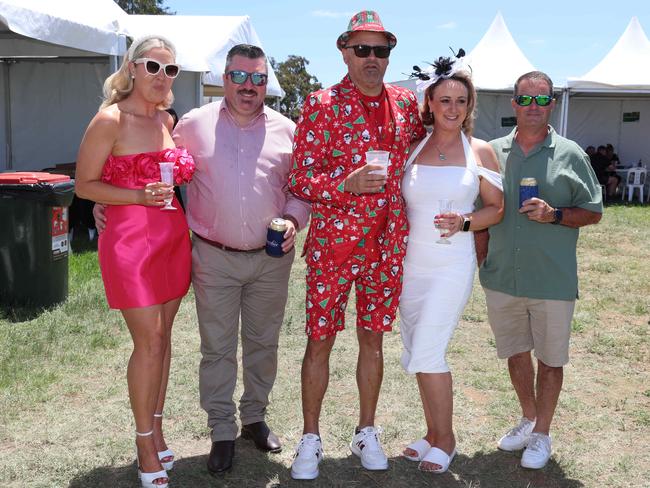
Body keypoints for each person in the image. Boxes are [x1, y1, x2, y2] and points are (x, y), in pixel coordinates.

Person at [288, 11, 426, 480]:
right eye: (362, 49)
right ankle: (310, 435)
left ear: (389, 54)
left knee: (373, 340)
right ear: (344, 50)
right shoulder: (321, 104)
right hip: (333, 247)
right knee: (320, 340)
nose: (371, 58)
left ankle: (367, 429)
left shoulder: (407, 104)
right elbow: (300, 178)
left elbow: (431, 153)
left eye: (380, 50)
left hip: (387, 245)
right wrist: (343, 185)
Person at [172, 44, 310, 476]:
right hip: (213, 257)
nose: (249, 87)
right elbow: (155, 166)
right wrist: (111, 203)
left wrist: (292, 218)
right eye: (240, 77)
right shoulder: (192, 125)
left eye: (258, 78)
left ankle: (253, 418)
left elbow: (300, 189)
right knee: (216, 348)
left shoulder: (288, 130)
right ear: (224, 77)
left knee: (263, 343)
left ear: (267, 83)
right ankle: (221, 431)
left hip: (271, 259)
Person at [76, 35, 195, 488]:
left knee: (164, 341)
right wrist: (133, 196)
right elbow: (84, 185)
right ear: (131, 68)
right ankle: (144, 444)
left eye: (170, 70)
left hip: (171, 238)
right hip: (129, 242)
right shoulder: (109, 119)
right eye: (152, 66)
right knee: (148, 343)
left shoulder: (168, 119)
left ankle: (158, 428)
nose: (161, 76)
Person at [478, 71, 602, 470]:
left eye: (542, 100)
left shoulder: (571, 154)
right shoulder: (491, 152)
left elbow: (594, 212)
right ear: (513, 103)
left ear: (553, 105)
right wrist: (481, 257)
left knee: (550, 359)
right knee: (516, 353)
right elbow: (479, 207)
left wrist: (555, 215)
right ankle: (529, 420)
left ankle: (543, 433)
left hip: (551, 278)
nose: (533, 107)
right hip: (502, 276)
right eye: (525, 100)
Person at [398, 55, 503, 474]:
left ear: (469, 105)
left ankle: (447, 439)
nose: (453, 108)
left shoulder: (480, 152)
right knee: (416, 348)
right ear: (431, 102)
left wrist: (464, 222)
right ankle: (431, 432)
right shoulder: (412, 148)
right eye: (445, 100)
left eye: (461, 101)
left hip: (451, 265)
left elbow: (496, 209)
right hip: (410, 265)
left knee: (429, 349)